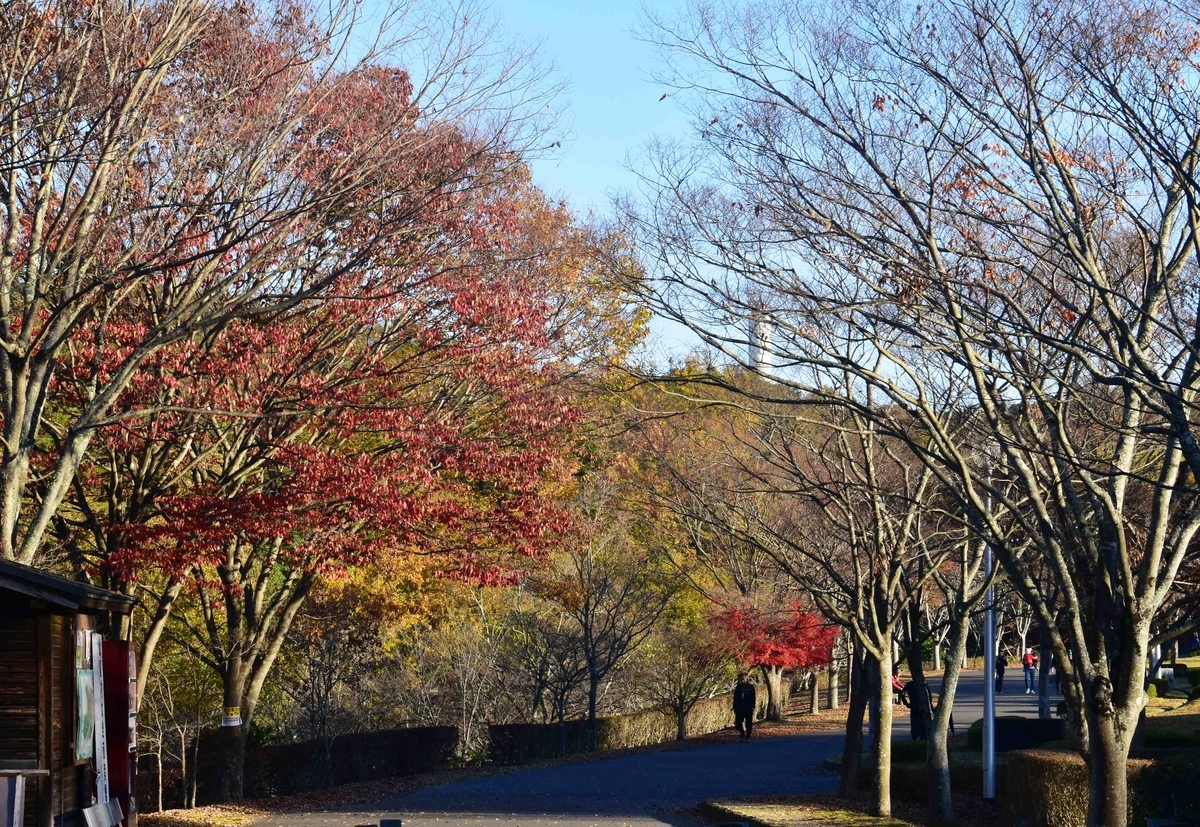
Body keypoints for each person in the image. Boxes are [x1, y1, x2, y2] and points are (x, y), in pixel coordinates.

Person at [732, 672, 757, 741]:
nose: (742, 680)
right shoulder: (738, 687)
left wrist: (753, 706)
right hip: (739, 707)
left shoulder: (751, 687)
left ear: (746, 679)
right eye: (741, 679)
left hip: (748, 707)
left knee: (748, 722)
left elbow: (753, 697)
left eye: (743, 679)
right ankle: (742, 733)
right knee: (738, 722)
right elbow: (735, 697)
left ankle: (748, 736)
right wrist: (734, 706)